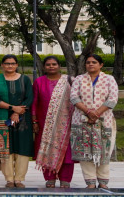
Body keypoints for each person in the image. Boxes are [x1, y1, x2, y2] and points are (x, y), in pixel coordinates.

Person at [70, 54, 118, 189]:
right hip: (81, 120)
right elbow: (74, 97)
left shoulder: (109, 79)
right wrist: (88, 112)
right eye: (88, 62)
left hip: (105, 121)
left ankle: (103, 182)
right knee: (85, 153)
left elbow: (113, 99)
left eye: (94, 62)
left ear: (101, 65)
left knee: (104, 151)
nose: (90, 64)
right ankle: (90, 182)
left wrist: (96, 113)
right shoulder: (79, 79)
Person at [0, 54, 33, 188]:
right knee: (5, 147)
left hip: (23, 118)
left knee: (22, 147)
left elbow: (29, 98)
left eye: (12, 63)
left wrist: (16, 112)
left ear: (16, 65)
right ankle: (9, 179)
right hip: (3, 118)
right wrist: (11, 108)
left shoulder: (25, 79)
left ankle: (19, 179)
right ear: (2, 65)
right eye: (7, 63)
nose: (10, 66)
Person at [33, 56, 75, 188]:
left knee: (67, 151)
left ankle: (65, 179)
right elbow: (34, 102)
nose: (51, 67)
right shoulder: (39, 82)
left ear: (59, 66)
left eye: (54, 64)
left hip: (66, 123)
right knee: (46, 149)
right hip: (45, 123)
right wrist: (34, 121)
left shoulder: (69, 81)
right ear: (44, 67)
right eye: (48, 65)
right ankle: (49, 178)